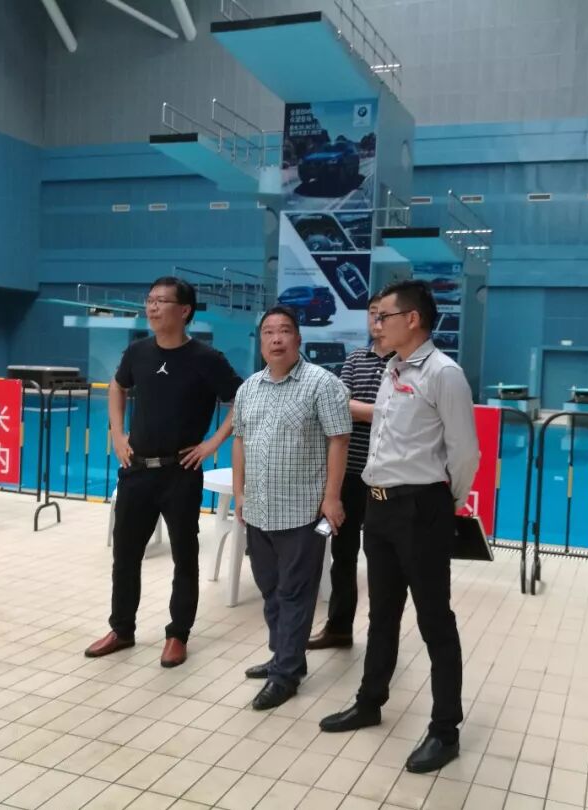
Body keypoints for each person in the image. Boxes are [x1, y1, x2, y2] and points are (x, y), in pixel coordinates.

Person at [318, 280, 479, 774]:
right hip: (380, 507)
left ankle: (445, 730)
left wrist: (443, 502)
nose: (376, 324)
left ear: (412, 319)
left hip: (420, 509)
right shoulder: (392, 369)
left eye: (383, 316)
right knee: (382, 614)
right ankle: (370, 702)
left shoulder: (444, 374)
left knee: (434, 621)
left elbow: (465, 453)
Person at [85, 277, 242, 668]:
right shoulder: (137, 351)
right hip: (136, 470)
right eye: (150, 300)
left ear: (184, 310)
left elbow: (240, 400)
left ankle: (177, 634)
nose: (152, 307)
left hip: (180, 473)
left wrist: (212, 444)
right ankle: (122, 629)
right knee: (125, 555)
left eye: (162, 301)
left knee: (185, 557)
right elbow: (117, 387)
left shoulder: (207, 358)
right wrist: (117, 434)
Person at [233, 305, 352, 710]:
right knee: (270, 589)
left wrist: (332, 497)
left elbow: (339, 439)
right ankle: (283, 655)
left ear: (298, 339)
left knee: (296, 592)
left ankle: (286, 674)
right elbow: (240, 440)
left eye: (284, 330)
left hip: (305, 512)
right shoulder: (249, 388)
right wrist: (240, 494)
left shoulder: (323, 384)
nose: (276, 338)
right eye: (269, 332)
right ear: (261, 341)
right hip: (259, 510)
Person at [307, 293, 393, 650]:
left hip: (388, 477)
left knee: (383, 559)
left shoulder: (406, 363)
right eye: (372, 314)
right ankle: (339, 628)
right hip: (350, 473)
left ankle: (382, 637)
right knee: (343, 554)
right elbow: (338, 404)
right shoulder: (356, 358)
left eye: (384, 315)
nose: (377, 321)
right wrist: (379, 411)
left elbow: (401, 415)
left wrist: (372, 411)